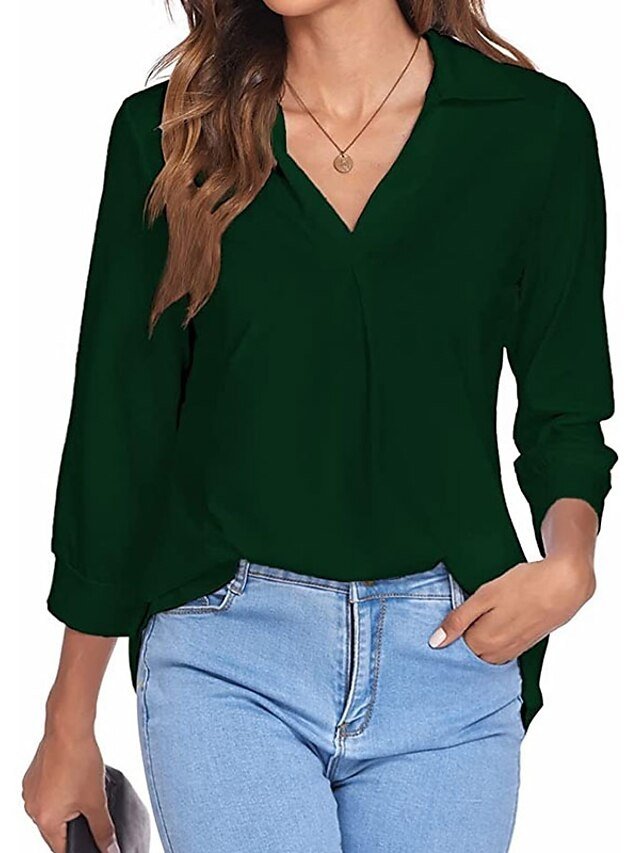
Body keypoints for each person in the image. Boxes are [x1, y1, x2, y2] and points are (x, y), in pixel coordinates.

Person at [22, 1, 618, 851]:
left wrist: (571, 565)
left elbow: (565, 406)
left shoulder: (532, 130)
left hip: (448, 658)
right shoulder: (172, 137)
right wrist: (68, 717)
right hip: (226, 650)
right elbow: (120, 436)